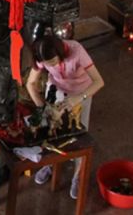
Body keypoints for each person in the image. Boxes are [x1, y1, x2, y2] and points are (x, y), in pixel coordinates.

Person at [25, 34, 105, 199]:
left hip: (81, 92)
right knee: (52, 131)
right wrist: (43, 107)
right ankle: (51, 164)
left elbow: (99, 81)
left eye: (53, 62)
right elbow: (31, 84)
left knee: (78, 135)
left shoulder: (76, 51)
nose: (51, 66)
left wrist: (80, 98)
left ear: (61, 52)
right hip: (57, 91)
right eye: (47, 65)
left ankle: (78, 175)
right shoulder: (42, 55)